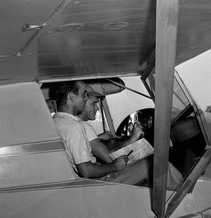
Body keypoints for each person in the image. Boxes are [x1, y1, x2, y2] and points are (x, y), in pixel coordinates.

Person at [52, 80, 182, 189]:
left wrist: (99, 138)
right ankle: (186, 199)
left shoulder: (58, 121)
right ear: (71, 96)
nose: (85, 98)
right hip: (99, 183)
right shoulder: (74, 127)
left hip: (92, 181)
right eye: (83, 94)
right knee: (157, 164)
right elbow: (86, 171)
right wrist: (114, 166)